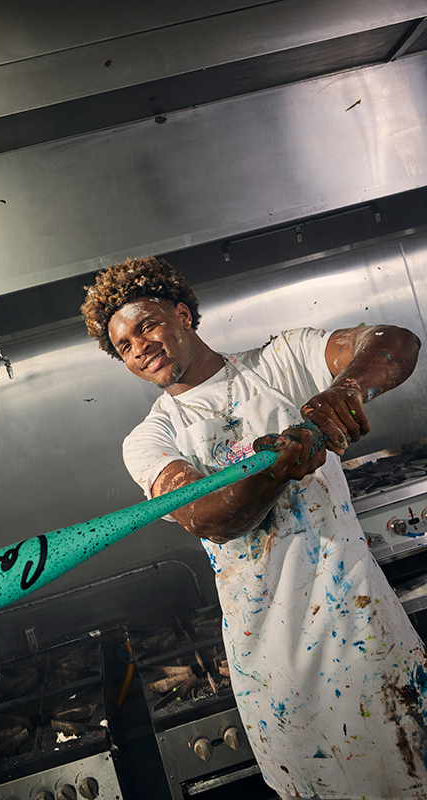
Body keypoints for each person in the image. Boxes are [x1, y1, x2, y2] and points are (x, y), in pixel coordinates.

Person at [81, 256, 427, 800]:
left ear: (182, 314)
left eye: (146, 326)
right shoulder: (150, 439)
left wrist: (346, 390)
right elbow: (209, 519)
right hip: (272, 659)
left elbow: (396, 341)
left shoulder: (282, 361)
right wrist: (274, 471)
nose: (139, 347)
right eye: (124, 346)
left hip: (364, 627)